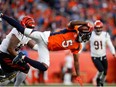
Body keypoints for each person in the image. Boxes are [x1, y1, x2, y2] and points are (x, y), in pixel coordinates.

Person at [0, 13, 93, 86]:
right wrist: (85, 23)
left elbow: (76, 61)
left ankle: (23, 57)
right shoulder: (73, 29)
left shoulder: (78, 46)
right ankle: (2, 15)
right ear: (81, 33)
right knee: (21, 29)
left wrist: (77, 75)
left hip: (45, 47)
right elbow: (72, 22)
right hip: (44, 37)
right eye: (86, 35)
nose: (87, 38)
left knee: (44, 67)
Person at [0, 16, 38, 86]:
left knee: (8, 75)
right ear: (23, 25)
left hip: (8, 55)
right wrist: (21, 57)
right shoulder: (18, 31)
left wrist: (45, 48)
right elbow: (10, 49)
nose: (30, 30)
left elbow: (33, 45)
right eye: (29, 27)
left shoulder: (26, 33)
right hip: (4, 55)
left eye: (31, 28)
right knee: (25, 68)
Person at [89, 20, 116, 86]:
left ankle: (101, 82)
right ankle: (97, 80)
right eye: (97, 28)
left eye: (99, 28)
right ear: (94, 28)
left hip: (103, 56)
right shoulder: (91, 34)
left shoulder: (105, 34)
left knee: (105, 72)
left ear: (102, 28)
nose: (98, 29)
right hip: (95, 56)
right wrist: (79, 50)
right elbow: (83, 42)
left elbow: (110, 44)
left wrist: (113, 52)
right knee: (101, 70)